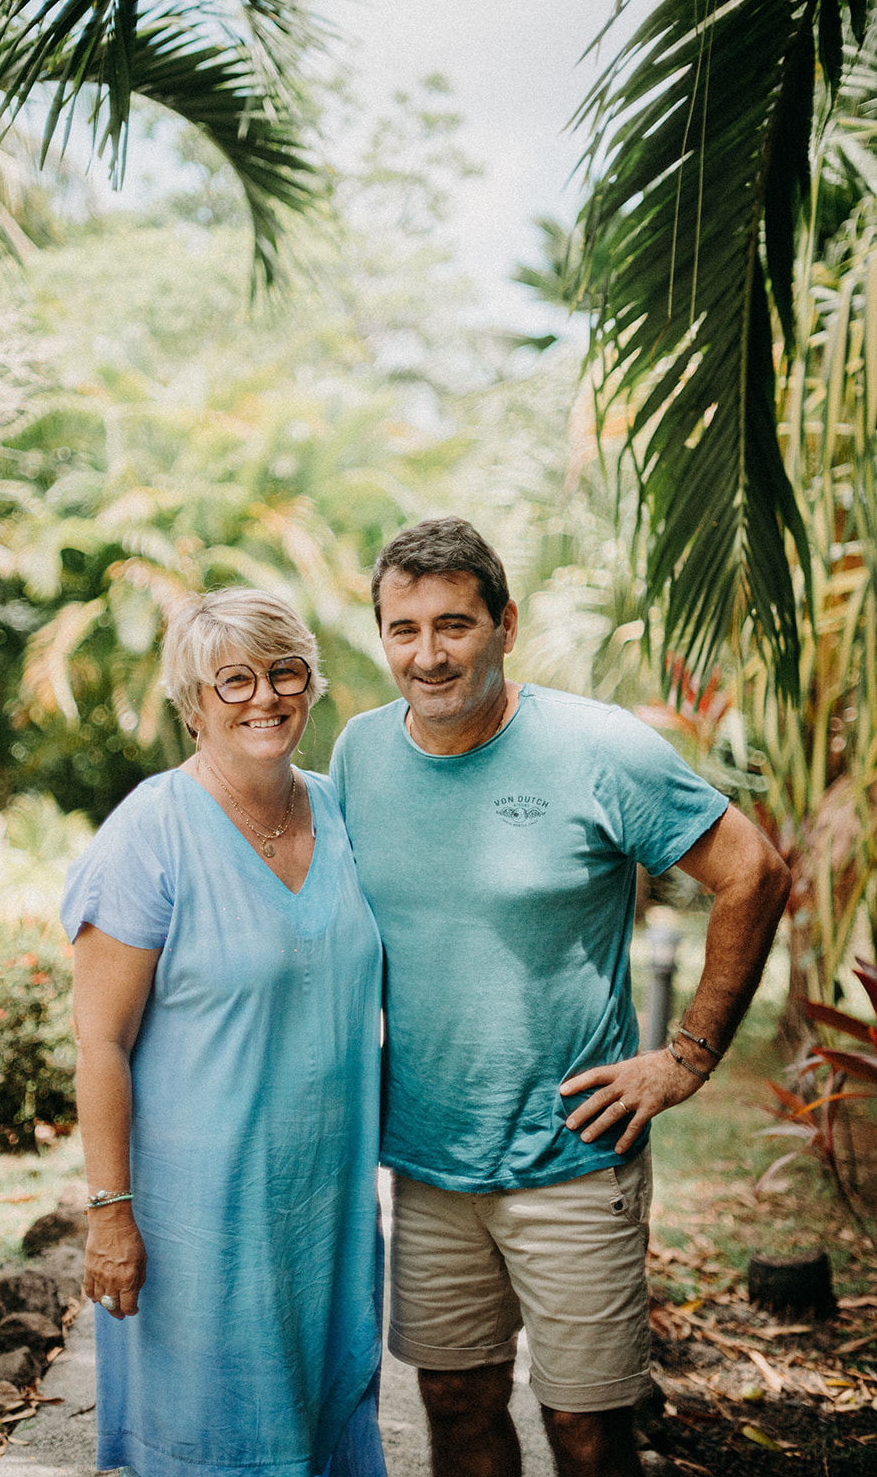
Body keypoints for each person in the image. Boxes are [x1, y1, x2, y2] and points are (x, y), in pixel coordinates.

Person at [330, 518, 791, 1477]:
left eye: (453, 625)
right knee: (454, 1406)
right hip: (427, 1162)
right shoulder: (359, 755)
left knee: (586, 1430)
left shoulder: (594, 747)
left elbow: (752, 872)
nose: (427, 654)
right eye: (403, 629)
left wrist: (686, 1057)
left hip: (575, 1156)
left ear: (505, 624)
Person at [61, 588, 387, 1477]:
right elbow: (99, 1043)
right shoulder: (151, 832)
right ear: (192, 705)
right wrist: (109, 1217)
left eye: (283, 672)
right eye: (231, 679)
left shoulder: (339, 812)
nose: (262, 697)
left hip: (326, 1213)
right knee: (218, 1445)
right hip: (201, 1225)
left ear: (309, 686)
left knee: (324, 1421)